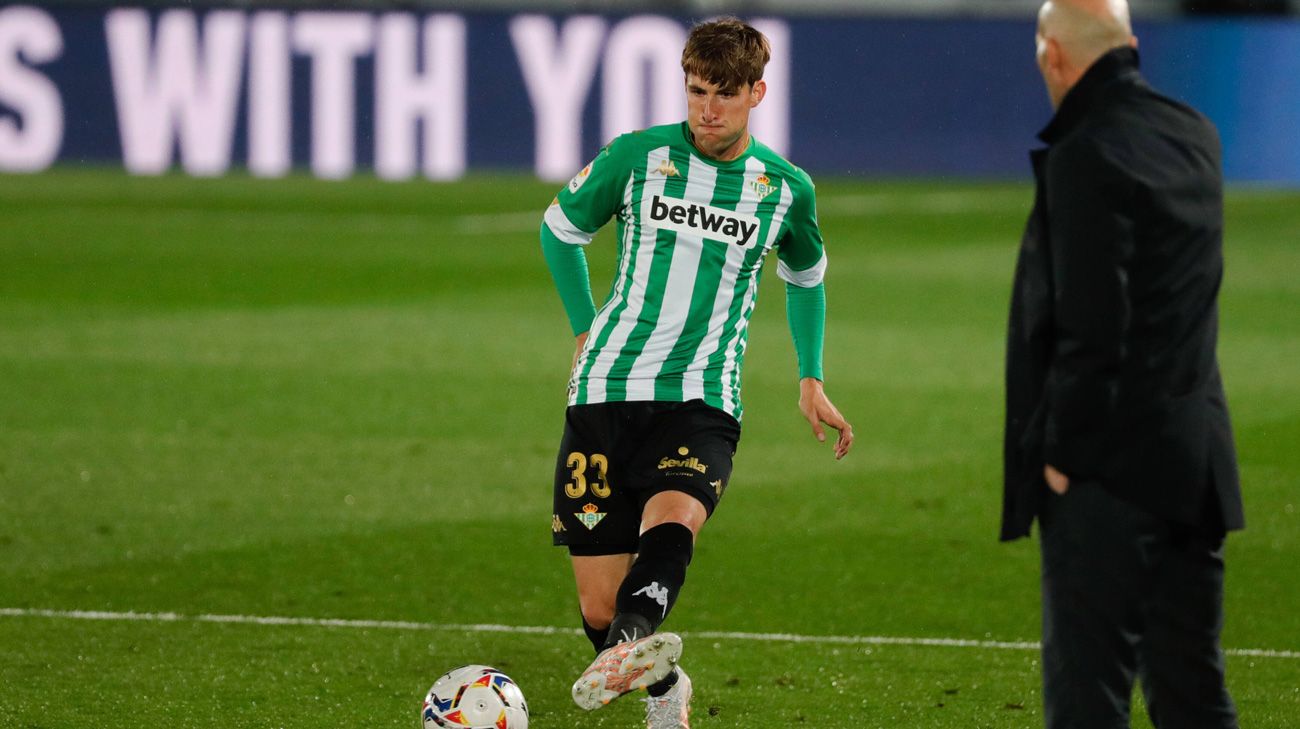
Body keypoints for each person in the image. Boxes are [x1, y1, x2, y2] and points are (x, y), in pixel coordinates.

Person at [539, 16, 853, 728]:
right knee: (596, 600)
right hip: (606, 387)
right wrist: (585, 325)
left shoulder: (783, 188)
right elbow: (560, 229)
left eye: (725, 93)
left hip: (703, 394)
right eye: (697, 90)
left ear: (757, 93)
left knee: (675, 516)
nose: (708, 108)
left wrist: (811, 374)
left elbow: (806, 275)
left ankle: (628, 643)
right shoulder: (636, 157)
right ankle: (661, 681)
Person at [1003, 1, 1245, 727]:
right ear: (1131, 45)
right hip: (1196, 456)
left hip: (1107, 471)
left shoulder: (1087, 151)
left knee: (1088, 693)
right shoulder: (1194, 132)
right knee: (1192, 690)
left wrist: (1061, 450)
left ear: (1052, 56)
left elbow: (1094, 321)